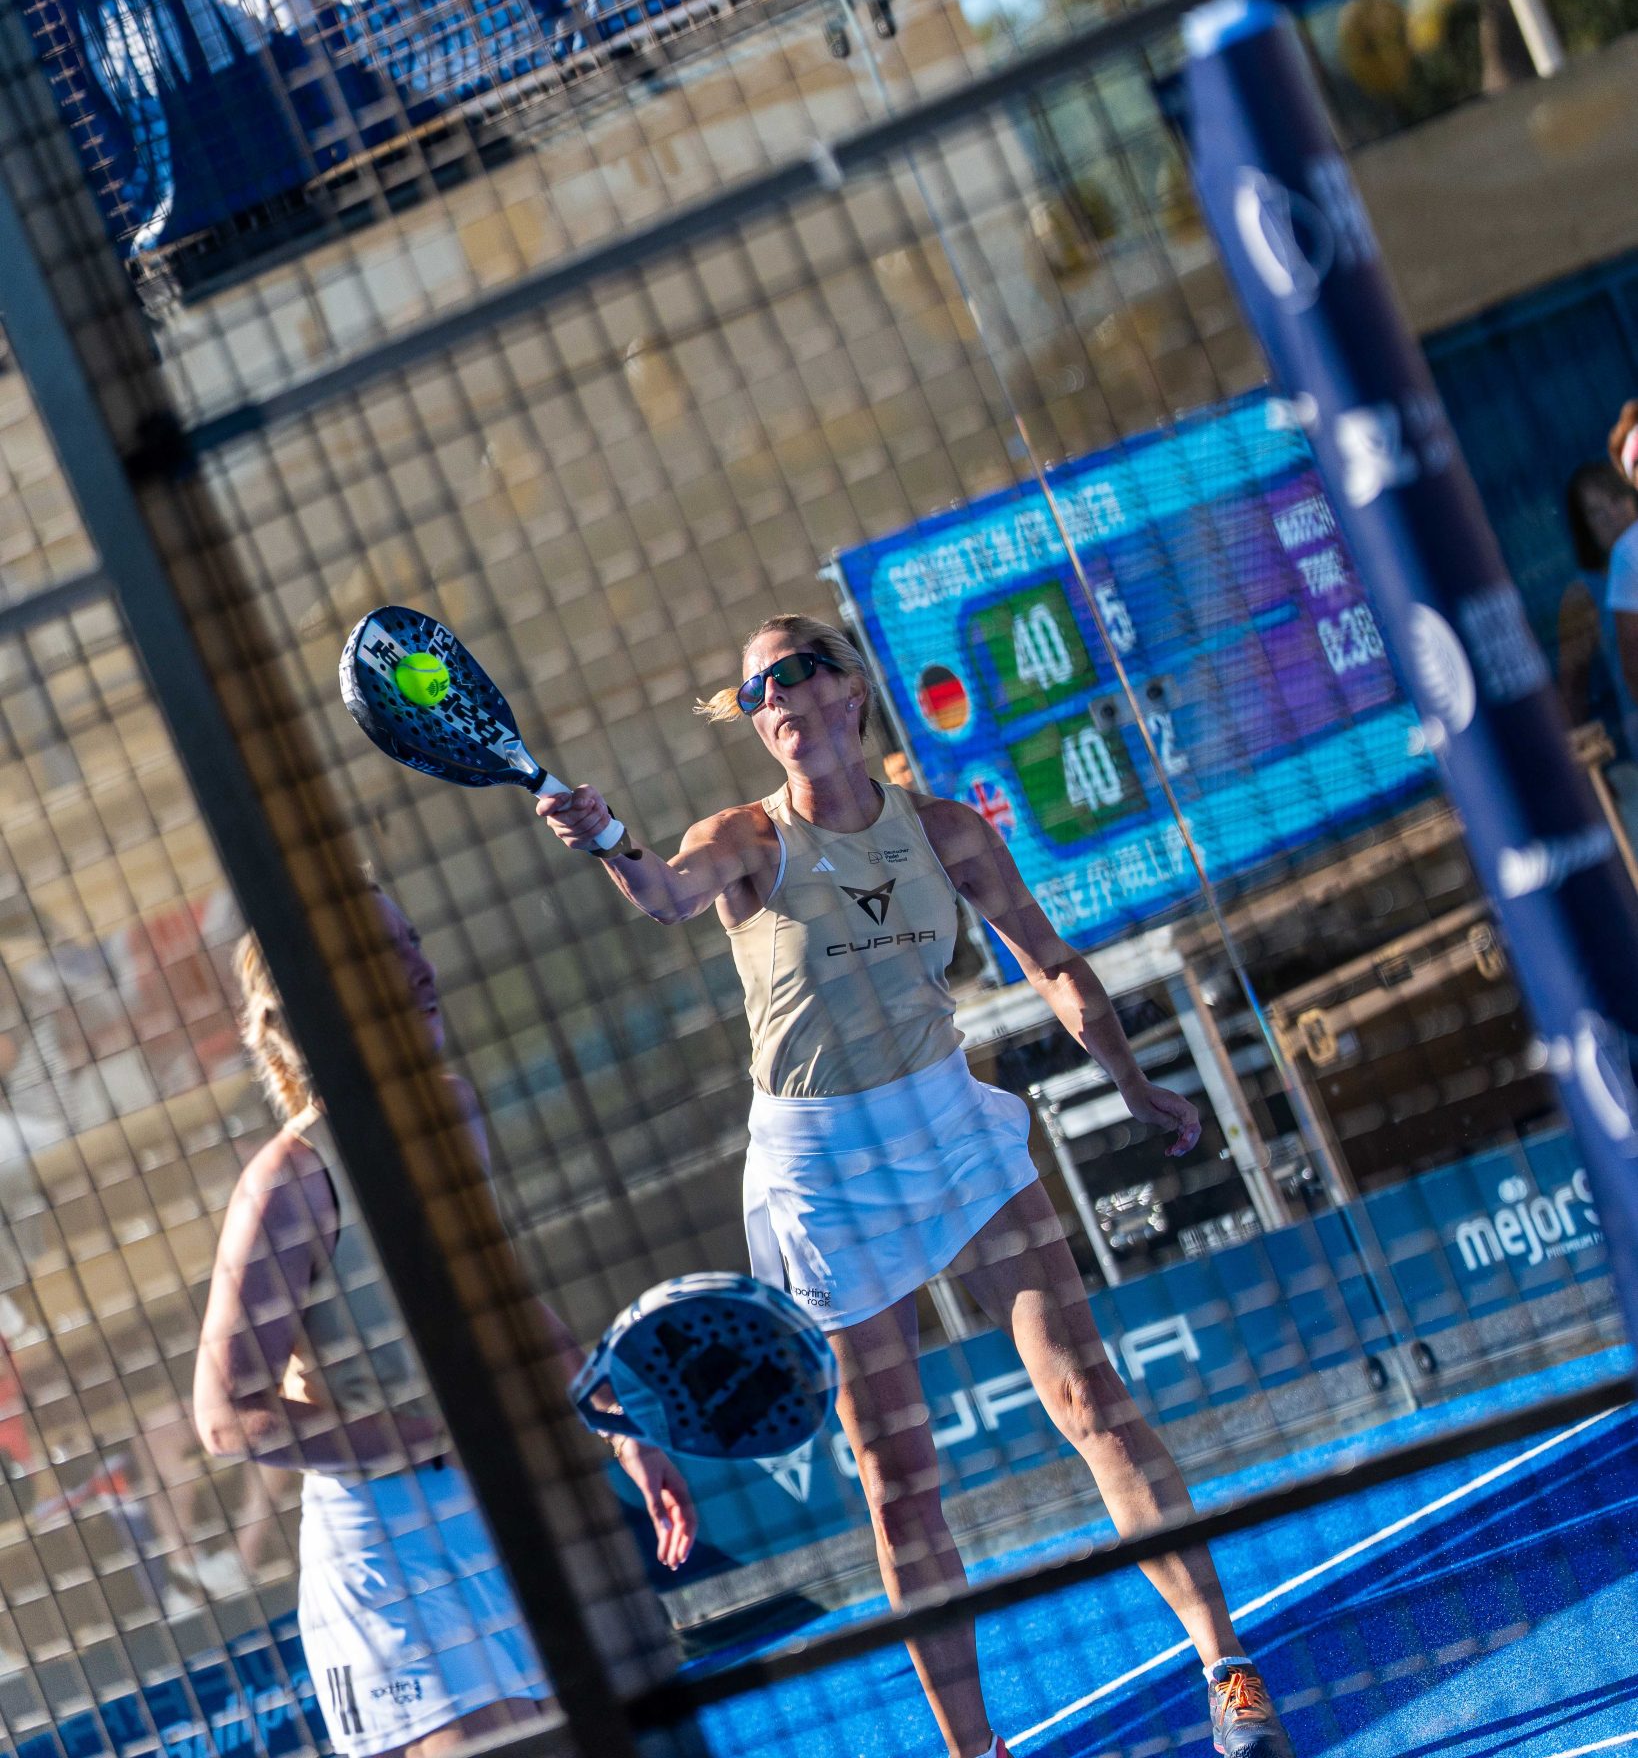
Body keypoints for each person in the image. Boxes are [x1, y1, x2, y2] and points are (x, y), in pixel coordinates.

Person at [538, 615, 1294, 1758]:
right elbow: (665, 893)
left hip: (950, 1128)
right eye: (755, 690)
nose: (776, 696)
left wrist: (1132, 1079)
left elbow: (1050, 959)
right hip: (825, 1174)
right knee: (900, 1481)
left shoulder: (944, 831)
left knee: (1090, 1394)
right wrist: (604, 835)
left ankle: (1228, 1669)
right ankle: (974, 1750)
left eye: (795, 672)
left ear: (849, 689)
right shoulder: (743, 838)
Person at [194, 890, 695, 1758]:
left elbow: (498, 1300)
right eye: (383, 955)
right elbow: (227, 1418)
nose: (421, 969)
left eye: (414, 940)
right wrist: (433, 1436)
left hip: (506, 1508)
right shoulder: (288, 1180)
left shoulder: (452, 1113)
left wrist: (621, 1431)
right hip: (390, 1556)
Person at [1558, 460, 1638, 739]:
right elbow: (1572, 690)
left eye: (1616, 500)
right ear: (1585, 528)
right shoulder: (1583, 595)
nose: (1612, 516)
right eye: (1596, 513)